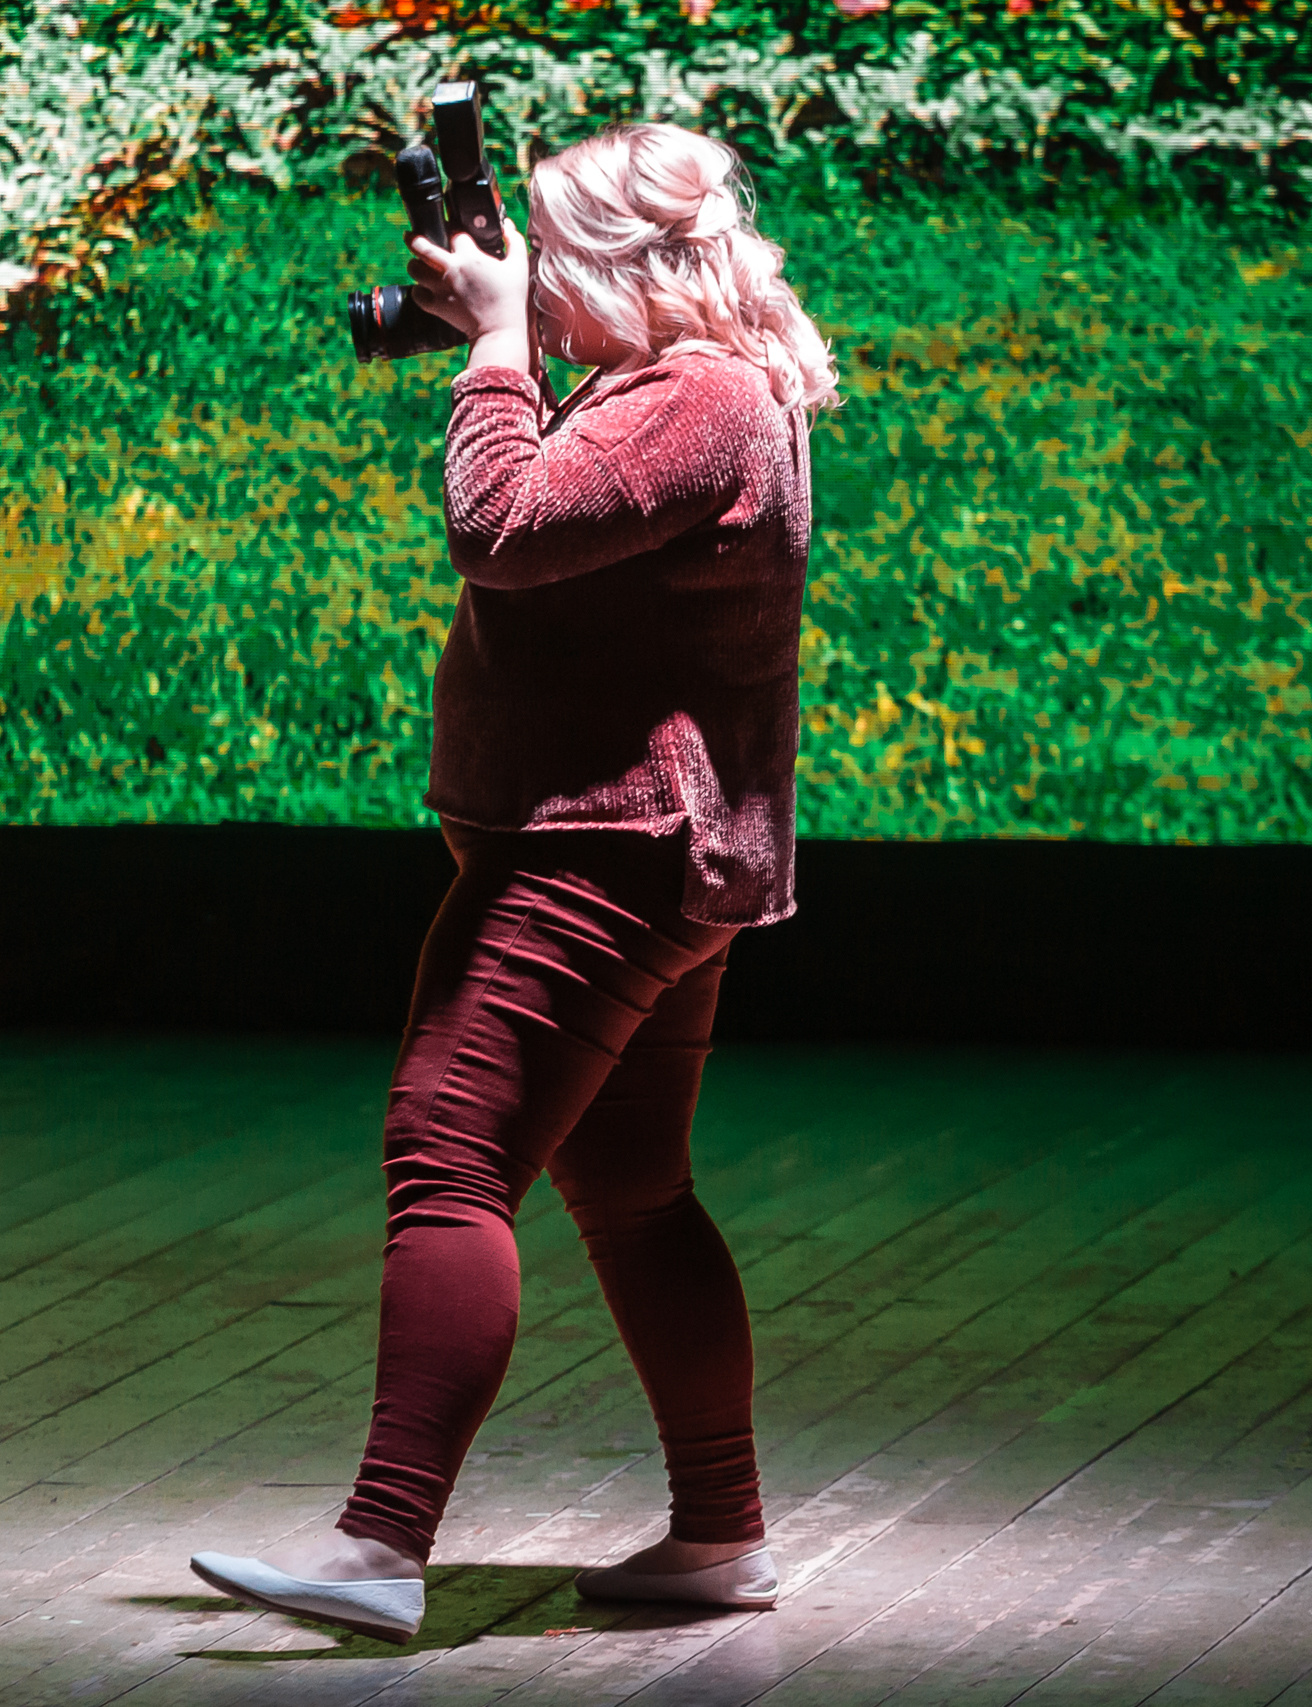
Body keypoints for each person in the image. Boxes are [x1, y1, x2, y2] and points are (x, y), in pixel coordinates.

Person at [189, 120, 840, 1647]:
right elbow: (554, 501)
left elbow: (498, 525)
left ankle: (378, 1544)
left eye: (547, 255)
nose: (526, 277)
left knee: (446, 1148)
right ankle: (719, 1531)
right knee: (630, 1186)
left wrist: (491, 347)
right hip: (661, 851)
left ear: (617, 266)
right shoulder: (687, 386)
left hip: (602, 853)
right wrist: (500, 338)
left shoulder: (697, 401)